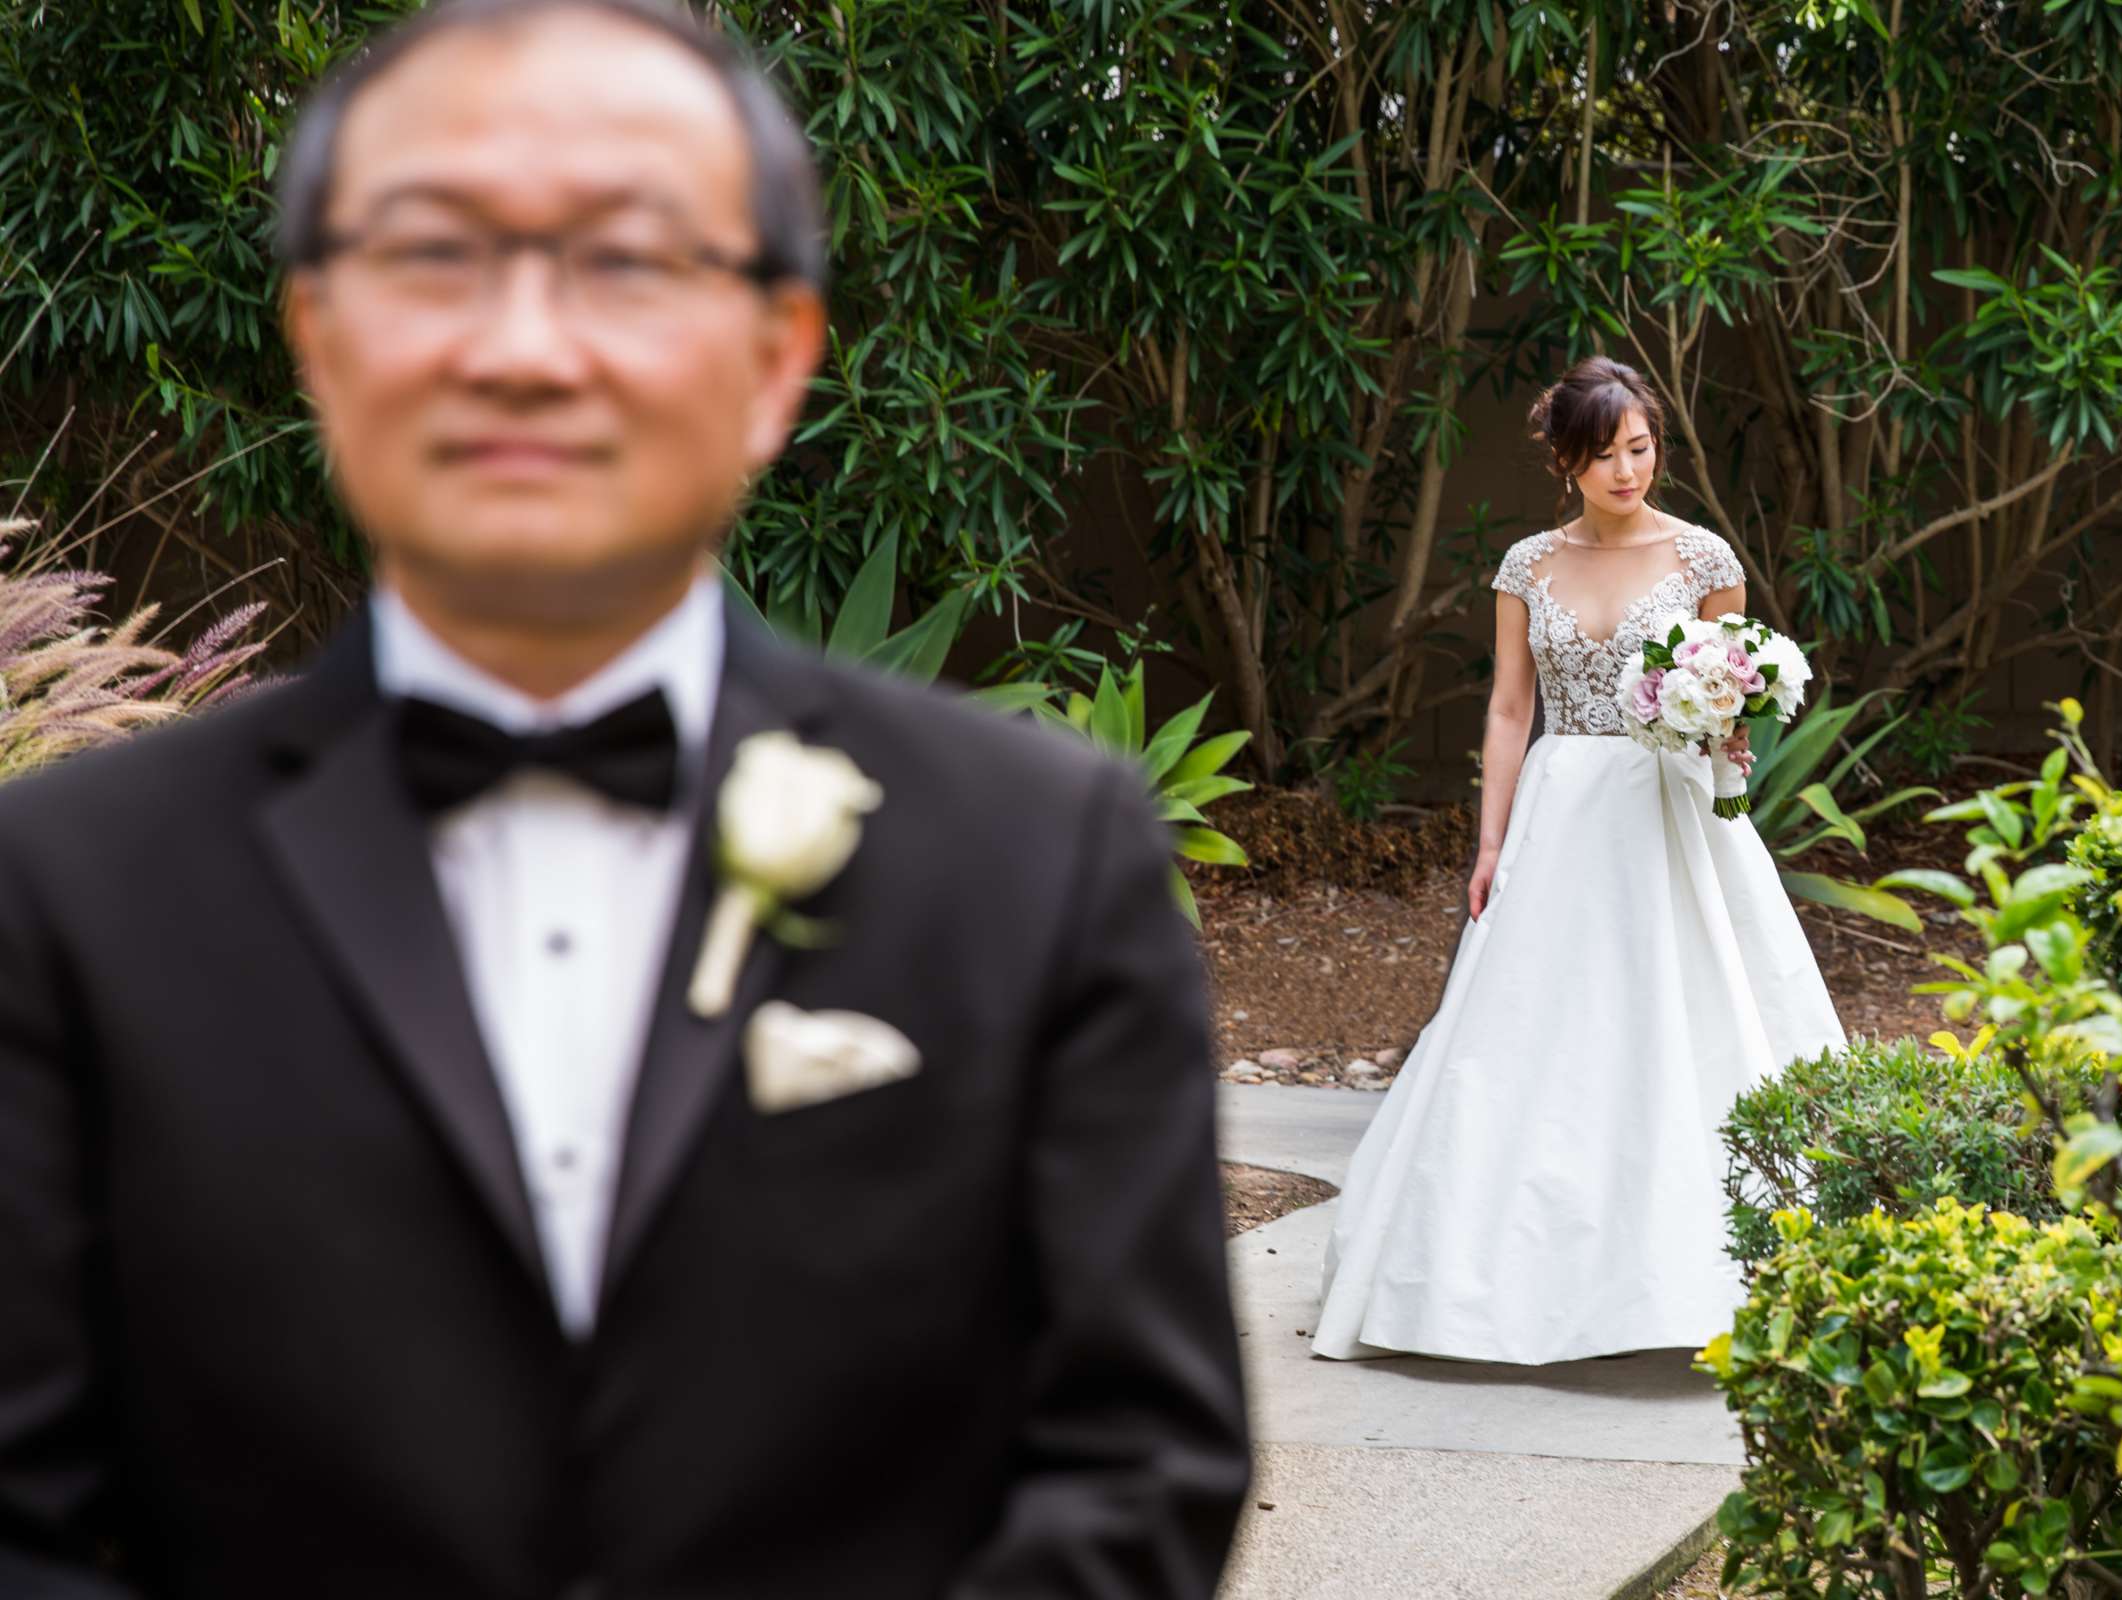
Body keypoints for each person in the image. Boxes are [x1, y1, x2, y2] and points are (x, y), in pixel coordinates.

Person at [0, 3, 1247, 1595]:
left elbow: (1138, 1472)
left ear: (774, 359)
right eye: (435, 255)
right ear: (317, 335)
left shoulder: (1039, 854)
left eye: (628, 261)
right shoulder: (61, 888)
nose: (524, 343)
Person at [1312, 355, 1845, 1366]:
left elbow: (1725, 690)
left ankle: (1708, 1285)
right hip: (1561, 812)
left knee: (1688, 1024)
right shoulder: (1527, 565)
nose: (1627, 470)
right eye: (1603, 455)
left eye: (1639, 449)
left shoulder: (1704, 560)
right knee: (1525, 1038)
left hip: (1666, 813)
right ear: (1566, 460)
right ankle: (1499, 1290)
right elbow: (1510, 708)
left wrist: (1726, 727)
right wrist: (1489, 840)